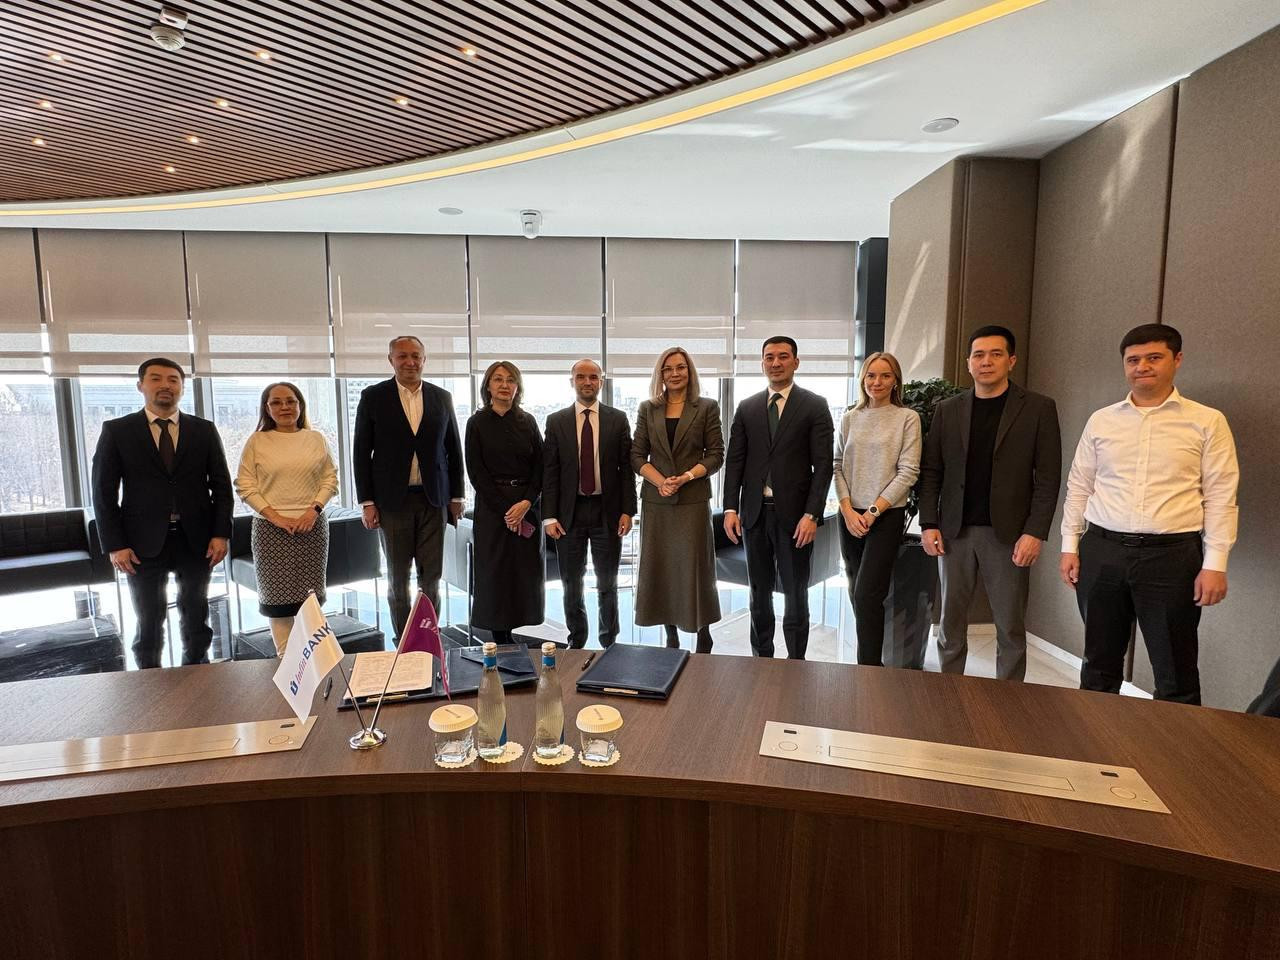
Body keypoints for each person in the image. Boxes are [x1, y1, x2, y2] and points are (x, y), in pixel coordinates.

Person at [1060, 323, 1238, 705]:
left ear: (1177, 359)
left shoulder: (1207, 421)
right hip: (1103, 551)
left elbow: (1221, 496)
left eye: (1153, 358)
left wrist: (1215, 564)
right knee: (1098, 665)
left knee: (1175, 672)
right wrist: (1069, 546)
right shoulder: (1102, 420)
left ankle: (1173, 743)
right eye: (1133, 360)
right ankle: (1094, 737)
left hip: (1172, 557)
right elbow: (1079, 487)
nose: (1142, 367)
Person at [918, 325, 1061, 682]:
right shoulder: (948, 410)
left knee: (1009, 626)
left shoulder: (1038, 408)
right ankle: (949, 691)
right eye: (978, 355)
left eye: (996, 354)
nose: (986, 362)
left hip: (1009, 535)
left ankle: (1007, 701)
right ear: (968, 362)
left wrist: (1035, 532)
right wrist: (928, 523)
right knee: (950, 623)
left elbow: (1048, 478)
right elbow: (932, 471)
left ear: (1011, 360)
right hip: (954, 532)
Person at [91, 357, 233, 668]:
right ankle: (149, 681)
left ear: (182, 388)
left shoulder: (204, 430)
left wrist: (221, 534)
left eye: (173, 379)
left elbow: (222, 487)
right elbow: (103, 493)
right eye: (156, 378)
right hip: (140, 542)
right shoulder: (118, 430)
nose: (165, 385)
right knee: (148, 619)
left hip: (196, 538)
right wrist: (115, 544)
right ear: (140, 385)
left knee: (196, 615)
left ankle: (198, 675)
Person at [723, 336, 834, 660]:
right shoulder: (747, 407)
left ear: (795, 362)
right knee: (758, 593)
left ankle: (796, 660)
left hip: (796, 518)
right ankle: (762, 658)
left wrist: (812, 515)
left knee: (795, 593)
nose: (776, 363)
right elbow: (735, 462)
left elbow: (823, 466)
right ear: (762, 363)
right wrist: (730, 508)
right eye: (769, 357)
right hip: (754, 516)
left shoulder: (814, 405)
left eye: (783, 356)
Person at [352, 336, 464, 641]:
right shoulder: (373, 397)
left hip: (434, 500)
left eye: (416, 356)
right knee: (398, 579)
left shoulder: (442, 397)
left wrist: (456, 496)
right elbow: (361, 452)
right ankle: (403, 642)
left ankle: (428, 638)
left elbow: (453, 450)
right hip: (392, 502)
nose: (410, 362)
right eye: (402, 356)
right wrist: (367, 502)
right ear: (391, 360)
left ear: (424, 359)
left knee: (432, 578)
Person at [234, 382, 339, 656]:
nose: (284, 407)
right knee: (277, 601)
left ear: (300, 405)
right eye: (276, 402)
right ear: (267, 408)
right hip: (270, 530)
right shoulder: (257, 441)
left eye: (290, 401)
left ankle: (312, 659)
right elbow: (245, 484)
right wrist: (275, 517)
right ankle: (285, 659)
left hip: (312, 527)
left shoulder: (316, 439)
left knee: (310, 600)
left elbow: (330, 479)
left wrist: (313, 511)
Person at [631, 347, 724, 652]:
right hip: (657, 501)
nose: (674, 373)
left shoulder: (707, 407)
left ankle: (703, 630)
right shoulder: (648, 408)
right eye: (668, 368)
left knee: (695, 567)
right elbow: (636, 455)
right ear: (661, 374)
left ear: (689, 371)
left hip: (692, 500)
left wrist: (685, 477)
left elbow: (715, 455)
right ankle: (670, 632)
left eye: (680, 367)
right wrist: (661, 482)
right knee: (660, 566)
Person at [833, 352, 921, 666]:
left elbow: (908, 472)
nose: (877, 382)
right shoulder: (849, 418)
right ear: (863, 379)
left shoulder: (907, 418)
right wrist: (847, 510)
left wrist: (871, 512)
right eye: (871, 375)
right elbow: (837, 466)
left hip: (884, 517)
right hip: (849, 516)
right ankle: (871, 663)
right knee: (856, 590)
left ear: (896, 381)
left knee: (868, 593)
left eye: (885, 376)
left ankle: (868, 669)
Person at [543, 358, 637, 649]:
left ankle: (609, 641)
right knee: (572, 583)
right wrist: (549, 516)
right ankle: (577, 639)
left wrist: (628, 510)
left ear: (601, 382)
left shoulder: (617, 419)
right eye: (581, 376)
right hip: (568, 514)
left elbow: (626, 469)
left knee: (608, 582)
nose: (587, 382)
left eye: (593, 377)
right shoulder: (556, 421)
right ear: (571, 381)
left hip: (606, 511)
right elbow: (550, 472)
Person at [465, 360, 545, 644]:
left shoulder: (528, 421)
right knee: (494, 572)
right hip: (492, 509)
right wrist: (507, 512)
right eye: (498, 379)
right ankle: (499, 637)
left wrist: (526, 503)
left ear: (517, 387)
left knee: (523, 572)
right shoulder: (476, 423)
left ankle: (517, 629)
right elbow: (476, 472)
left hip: (526, 506)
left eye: (510, 380)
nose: (504, 385)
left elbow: (541, 467)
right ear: (488, 385)